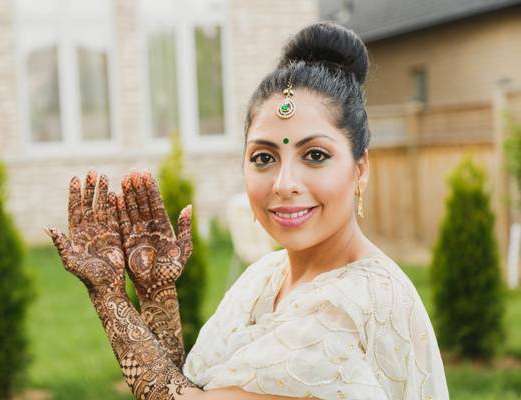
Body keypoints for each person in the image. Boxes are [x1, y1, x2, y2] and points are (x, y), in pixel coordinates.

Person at [45, 21, 449, 400]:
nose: (284, 183)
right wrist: (155, 293)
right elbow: (189, 385)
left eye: (315, 154)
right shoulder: (264, 278)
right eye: (263, 157)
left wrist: (109, 296)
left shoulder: (352, 301)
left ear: (360, 169)